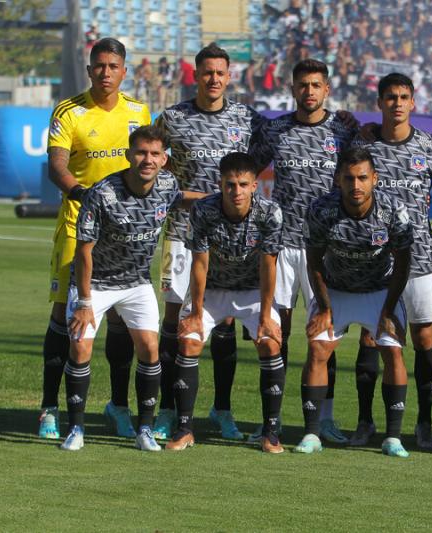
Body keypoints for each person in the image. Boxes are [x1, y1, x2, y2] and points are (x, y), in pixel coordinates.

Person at [60, 125, 205, 451]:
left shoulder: (167, 183)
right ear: (128, 155)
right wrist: (83, 302)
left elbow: (180, 199)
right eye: (141, 152)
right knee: (81, 347)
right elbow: (84, 252)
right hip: (94, 284)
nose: (147, 159)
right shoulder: (102, 194)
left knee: (150, 350)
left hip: (136, 283)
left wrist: (217, 199)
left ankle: (144, 429)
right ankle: (77, 429)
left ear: (164, 159)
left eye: (155, 154)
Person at [40, 37, 151, 441]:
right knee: (64, 317)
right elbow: (57, 166)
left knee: (122, 319)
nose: (106, 72)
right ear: (90, 71)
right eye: (99, 66)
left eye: (113, 66)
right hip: (75, 227)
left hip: (123, 236)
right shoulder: (69, 111)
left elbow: (148, 165)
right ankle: (49, 409)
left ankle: (118, 406)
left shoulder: (139, 112)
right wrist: (84, 196)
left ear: (124, 70)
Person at [153, 43, 264, 441]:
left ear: (229, 76)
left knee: (225, 321)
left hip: (229, 239)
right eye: (207, 73)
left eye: (220, 72)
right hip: (182, 234)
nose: (214, 79)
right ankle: (168, 408)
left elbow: (284, 138)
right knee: (175, 321)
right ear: (196, 75)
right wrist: (185, 197)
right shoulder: (172, 118)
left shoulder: (246, 119)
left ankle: (223, 409)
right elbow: (153, 167)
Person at [347, 73, 432, 448]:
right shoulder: (363, 145)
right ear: (379, 103)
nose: (397, 103)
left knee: (423, 337)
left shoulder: (428, 147)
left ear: (413, 103)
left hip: (420, 258)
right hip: (374, 260)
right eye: (390, 97)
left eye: (404, 97)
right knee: (370, 337)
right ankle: (365, 422)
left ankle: (424, 423)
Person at [250, 58, 357, 444]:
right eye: (302, 85)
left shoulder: (345, 132)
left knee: (324, 337)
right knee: (275, 334)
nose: (309, 91)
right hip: (280, 245)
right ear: (292, 89)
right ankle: (271, 423)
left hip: (324, 251)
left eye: (316, 85)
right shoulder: (276, 129)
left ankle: (325, 419)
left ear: (326, 89)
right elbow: (246, 172)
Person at [294, 147, 413, 458]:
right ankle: (312, 433)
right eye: (349, 178)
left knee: (393, 350)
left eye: (362, 178)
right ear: (338, 180)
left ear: (374, 179)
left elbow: (403, 264)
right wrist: (325, 308)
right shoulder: (322, 210)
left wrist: (388, 311)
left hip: (380, 291)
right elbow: (314, 262)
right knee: (318, 349)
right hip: (336, 289)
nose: (356, 185)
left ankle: (393, 437)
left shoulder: (393, 212)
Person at [166, 152, 285, 453]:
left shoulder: (270, 212)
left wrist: (267, 313)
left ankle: (270, 432)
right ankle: (184, 429)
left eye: (243, 184)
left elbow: (269, 266)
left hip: (251, 291)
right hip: (213, 290)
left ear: (255, 186)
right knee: (189, 340)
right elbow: (200, 264)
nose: (236, 191)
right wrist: (194, 311)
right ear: (220, 183)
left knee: (270, 341)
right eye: (230, 184)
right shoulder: (204, 210)